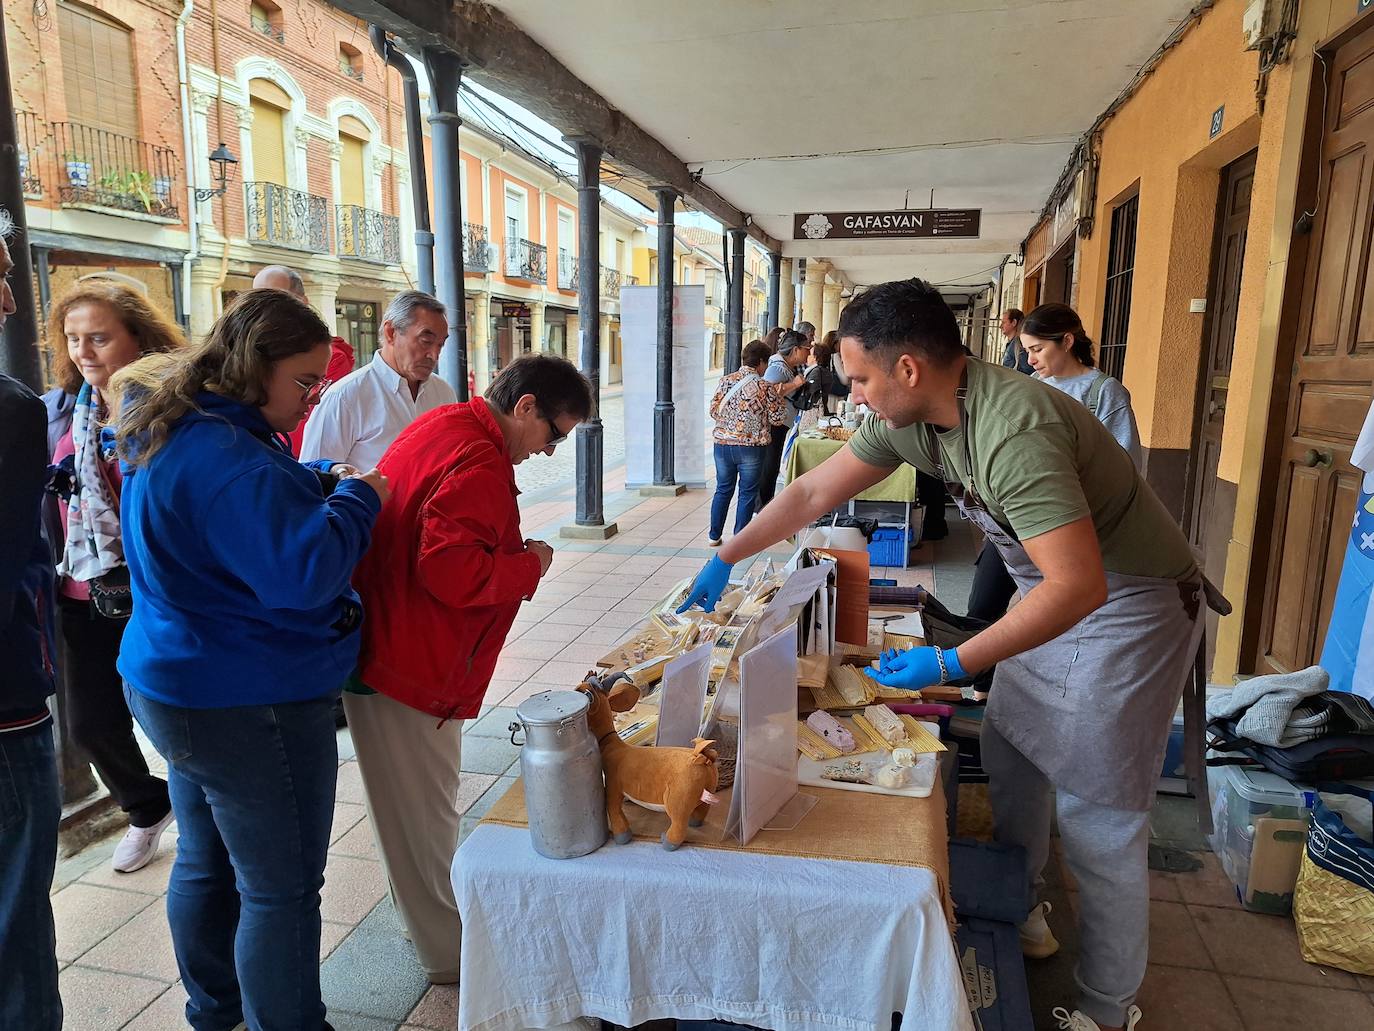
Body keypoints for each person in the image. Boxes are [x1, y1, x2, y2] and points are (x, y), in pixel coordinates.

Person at [678, 279, 1203, 1031]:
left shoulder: (1012, 429)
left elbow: (1080, 584)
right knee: (1013, 744)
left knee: (1099, 815)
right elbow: (809, 495)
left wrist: (954, 665)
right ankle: (1020, 905)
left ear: (908, 371)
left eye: (859, 378)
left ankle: (1108, 1004)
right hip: (1051, 588)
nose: (853, 394)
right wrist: (726, 555)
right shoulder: (912, 421)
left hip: (1127, 607)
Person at [110, 289, 388, 1031]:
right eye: (302, 381)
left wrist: (313, 477)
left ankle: (215, 1008)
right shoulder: (228, 456)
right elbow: (304, 575)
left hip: (175, 679)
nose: (311, 396)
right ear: (254, 364)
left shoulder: (179, 418)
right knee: (281, 887)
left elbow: (238, 512)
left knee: (204, 856)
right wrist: (360, 499)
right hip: (247, 696)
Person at [346, 354, 592, 983]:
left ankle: (427, 926)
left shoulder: (447, 423)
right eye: (554, 434)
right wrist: (530, 564)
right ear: (526, 406)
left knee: (405, 814)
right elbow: (454, 573)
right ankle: (449, 956)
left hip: (390, 648)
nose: (549, 451)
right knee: (424, 817)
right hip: (414, 661)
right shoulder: (479, 457)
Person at [45, 279, 180, 872]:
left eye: (99, 337)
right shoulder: (58, 411)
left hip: (153, 591)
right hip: (81, 589)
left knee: (171, 715)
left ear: (138, 339)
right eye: (74, 339)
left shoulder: (170, 408)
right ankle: (148, 806)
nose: (83, 351)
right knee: (91, 725)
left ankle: (202, 806)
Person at [0, 219, 63, 1031]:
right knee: (16, 904)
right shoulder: (13, 411)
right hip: (6, 701)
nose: (10, 297)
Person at [300, 290, 455, 471]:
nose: (434, 355)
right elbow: (313, 478)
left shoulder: (444, 393)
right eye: (426, 341)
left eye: (440, 345)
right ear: (391, 333)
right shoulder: (344, 398)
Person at [253, 265, 357, 457]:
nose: (264, 311)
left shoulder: (328, 358)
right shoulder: (249, 356)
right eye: (256, 300)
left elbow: (302, 431)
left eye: (277, 300)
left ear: (302, 304)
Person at [1022, 303, 1142, 468]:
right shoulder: (1034, 382)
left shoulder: (1103, 390)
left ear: (1067, 341)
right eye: (1027, 351)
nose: (1030, 360)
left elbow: (1126, 462)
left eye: (1037, 349)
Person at [708, 339, 784, 546]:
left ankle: (714, 536)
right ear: (760, 362)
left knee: (723, 488)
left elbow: (714, 411)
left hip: (722, 445)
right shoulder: (765, 387)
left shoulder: (725, 381)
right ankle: (739, 539)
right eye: (766, 363)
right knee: (747, 492)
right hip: (751, 448)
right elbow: (778, 418)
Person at [755, 329, 812, 508]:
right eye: (806, 348)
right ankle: (761, 508)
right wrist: (794, 384)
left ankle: (763, 505)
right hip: (773, 424)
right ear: (795, 350)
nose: (809, 352)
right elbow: (766, 390)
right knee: (769, 466)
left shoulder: (785, 366)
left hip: (779, 423)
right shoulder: (778, 367)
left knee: (771, 465)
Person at [1000, 307, 1033, 375]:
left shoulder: (1019, 344)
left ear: (1014, 322)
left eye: (1004, 322)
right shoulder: (1012, 344)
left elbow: (1028, 370)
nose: (1000, 326)